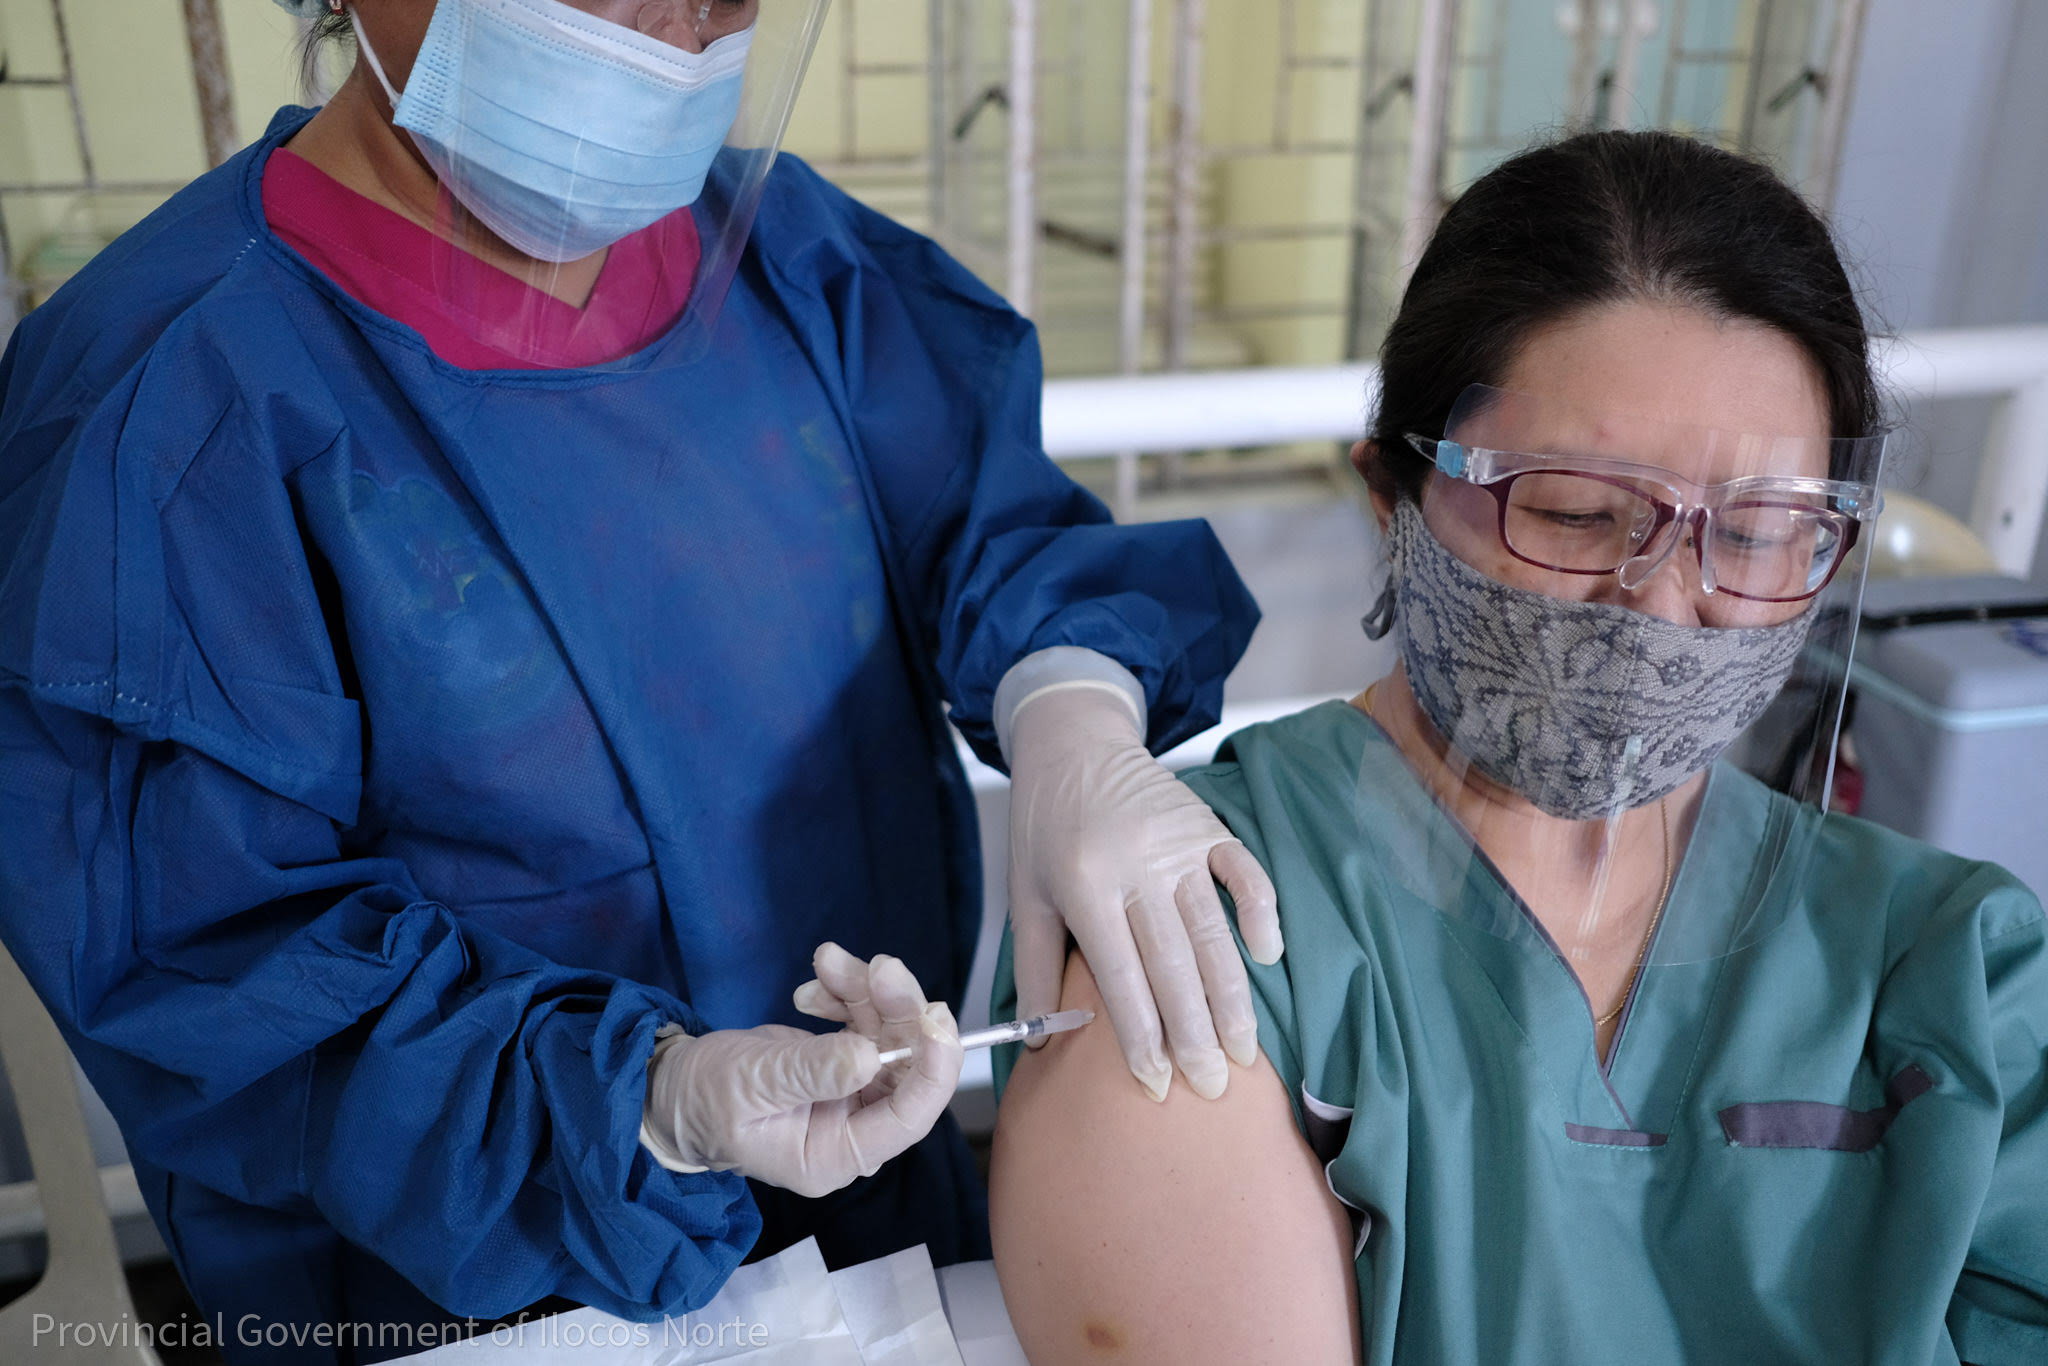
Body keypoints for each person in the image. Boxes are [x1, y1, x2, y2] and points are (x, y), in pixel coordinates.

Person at [0, 0, 1282, 1357]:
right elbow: (218, 971)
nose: (680, 31)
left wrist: (1070, 705)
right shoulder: (170, 400)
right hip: (472, 1294)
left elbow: (996, 524)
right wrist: (644, 1107)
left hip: (884, 1221)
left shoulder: (787, 259)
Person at [988, 130, 2048, 1364]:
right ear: (1389, 496)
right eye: (1575, 513)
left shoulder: (1957, 971)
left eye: (1758, 532)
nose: (1661, 601)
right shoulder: (1203, 937)